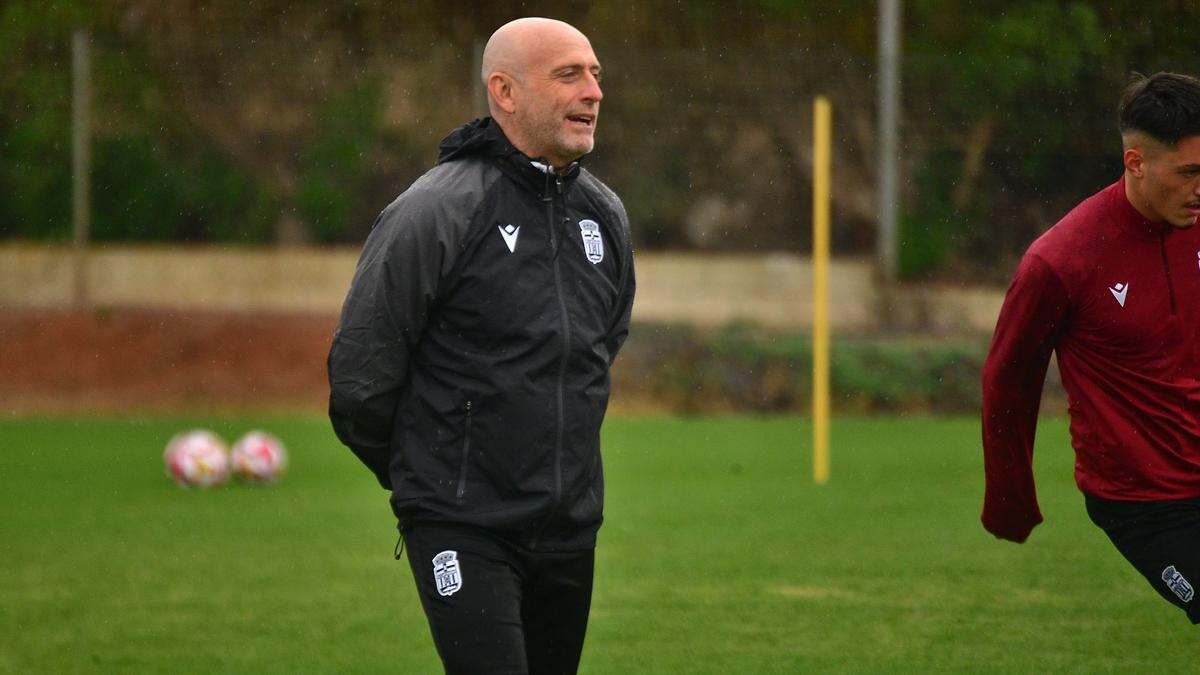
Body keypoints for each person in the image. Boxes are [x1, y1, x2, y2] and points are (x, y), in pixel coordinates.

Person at [327, 17, 635, 674]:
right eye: (569, 74)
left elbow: (598, 352)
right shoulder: (435, 210)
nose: (593, 91)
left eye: (596, 74)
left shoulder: (604, 216)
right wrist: (432, 477)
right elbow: (361, 375)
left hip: (568, 530)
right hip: (461, 525)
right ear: (506, 91)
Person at [982, 71, 1200, 624]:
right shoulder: (1061, 261)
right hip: (1146, 503)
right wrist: (1010, 496)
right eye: (1190, 173)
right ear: (1136, 163)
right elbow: (1008, 379)